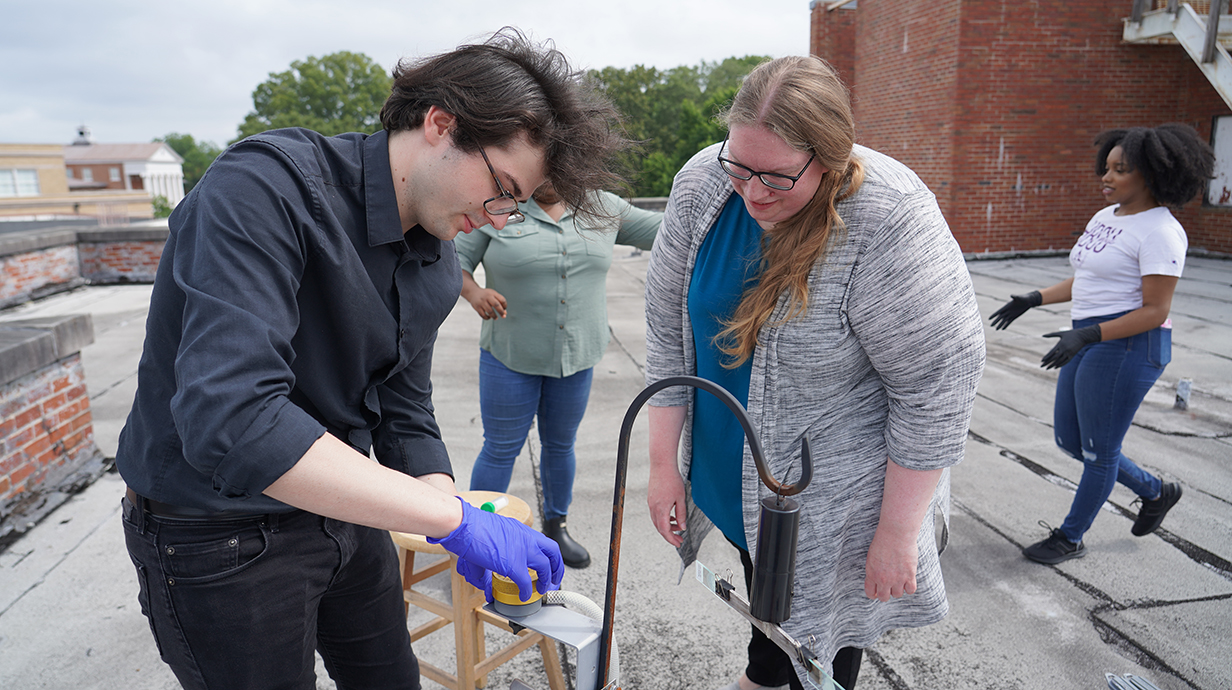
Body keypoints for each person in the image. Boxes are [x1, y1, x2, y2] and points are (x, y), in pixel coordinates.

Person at [115, 29, 630, 690]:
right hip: (219, 536)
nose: (503, 221)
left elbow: (402, 407)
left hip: (346, 510)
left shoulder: (439, 256)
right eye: (503, 188)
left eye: (519, 205)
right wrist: (452, 518)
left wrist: (448, 512)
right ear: (441, 124)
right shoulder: (267, 189)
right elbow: (234, 420)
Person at [643, 56, 985, 690]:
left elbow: (937, 386)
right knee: (769, 631)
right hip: (734, 473)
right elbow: (668, 334)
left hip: (833, 506)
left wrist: (896, 533)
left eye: (776, 176)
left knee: (815, 656)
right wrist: (664, 465)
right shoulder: (702, 184)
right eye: (739, 166)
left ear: (830, 157)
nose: (751, 192)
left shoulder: (889, 218)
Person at [989, 123, 1214, 565]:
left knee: (1098, 452)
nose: (1106, 177)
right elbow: (1089, 278)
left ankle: (1070, 537)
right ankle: (1155, 491)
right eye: (1106, 167)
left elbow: (1155, 309)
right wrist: (1033, 299)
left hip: (1130, 347)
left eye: (1121, 170)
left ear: (1151, 174)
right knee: (1071, 440)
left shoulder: (1162, 232)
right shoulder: (1104, 217)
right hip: (1089, 339)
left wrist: (1088, 334)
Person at [456, 184, 660, 568]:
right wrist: (474, 293)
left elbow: (668, 228)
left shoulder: (602, 205)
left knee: (561, 445)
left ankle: (556, 527)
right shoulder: (501, 207)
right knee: (500, 448)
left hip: (576, 356)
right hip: (510, 355)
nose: (547, 178)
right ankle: (478, 538)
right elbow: (455, 262)